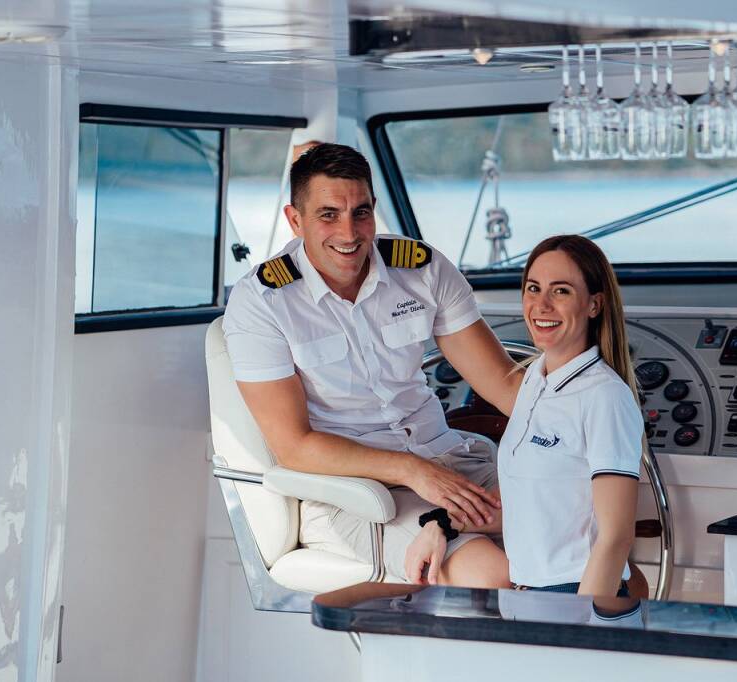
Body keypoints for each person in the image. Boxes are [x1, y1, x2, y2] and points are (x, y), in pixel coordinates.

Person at [222, 142, 520, 587]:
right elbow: (294, 447)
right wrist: (413, 471)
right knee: (493, 573)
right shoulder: (263, 301)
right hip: (356, 492)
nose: (349, 233)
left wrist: (585, 419)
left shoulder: (421, 270)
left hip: (450, 461)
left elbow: (504, 384)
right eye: (328, 215)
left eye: (360, 212)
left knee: (593, 529)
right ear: (295, 220)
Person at [405, 235, 643, 597]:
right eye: (533, 288)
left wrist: (579, 620)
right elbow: (523, 504)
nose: (541, 305)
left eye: (560, 291)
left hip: (574, 595)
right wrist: (440, 525)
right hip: (527, 593)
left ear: (594, 304)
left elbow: (615, 537)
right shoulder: (534, 380)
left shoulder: (605, 396)